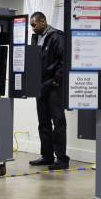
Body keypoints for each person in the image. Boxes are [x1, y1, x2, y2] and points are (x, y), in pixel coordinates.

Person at [28, 12, 70, 170]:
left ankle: (62, 159)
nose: (32, 28)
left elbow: (64, 60)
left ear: (43, 22)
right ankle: (47, 156)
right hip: (40, 86)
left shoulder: (57, 36)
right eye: (31, 25)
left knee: (58, 122)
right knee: (43, 122)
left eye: (34, 25)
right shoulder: (35, 37)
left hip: (54, 86)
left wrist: (56, 80)